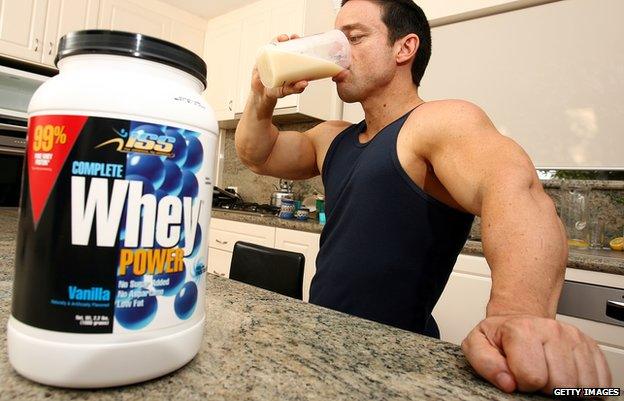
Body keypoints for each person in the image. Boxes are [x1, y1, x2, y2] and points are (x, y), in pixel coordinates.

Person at [234, 0, 612, 395]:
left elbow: (516, 189)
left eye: (355, 38)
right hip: (324, 338)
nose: (338, 51)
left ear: (404, 48)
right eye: (334, 40)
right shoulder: (331, 137)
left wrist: (518, 315)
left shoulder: (437, 122)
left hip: (395, 362)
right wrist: (262, 95)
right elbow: (256, 154)